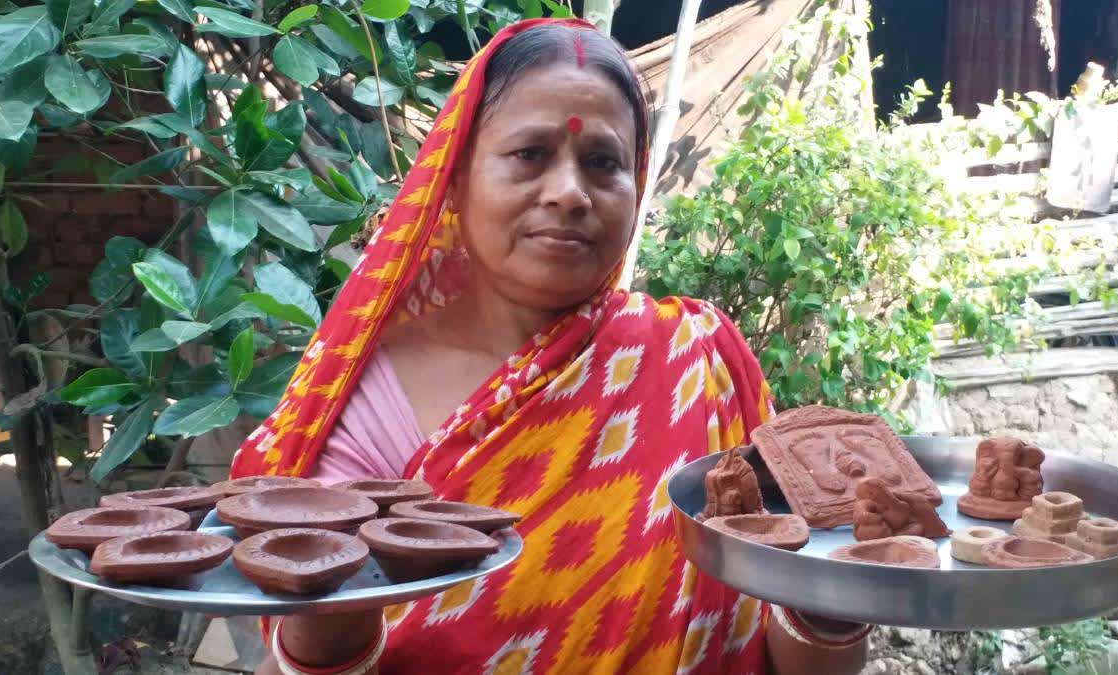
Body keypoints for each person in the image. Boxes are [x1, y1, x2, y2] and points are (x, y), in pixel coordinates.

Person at [231, 17, 872, 674]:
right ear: (455, 177)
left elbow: (795, 659)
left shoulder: (694, 361)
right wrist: (329, 607)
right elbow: (305, 648)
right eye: (530, 154)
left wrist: (837, 590)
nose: (569, 193)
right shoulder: (361, 402)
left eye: (602, 162)